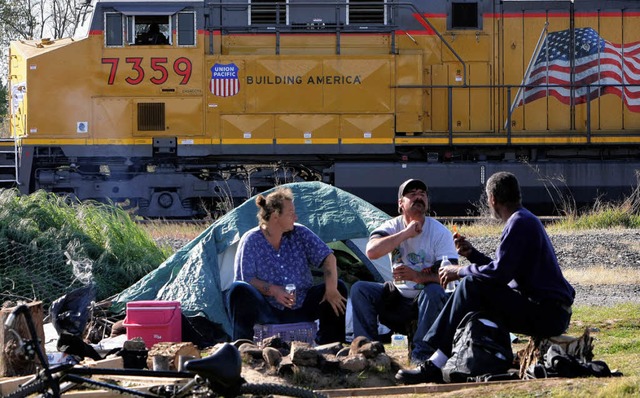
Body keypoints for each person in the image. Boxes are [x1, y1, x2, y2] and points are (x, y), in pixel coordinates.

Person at [396, 171, 576, 384]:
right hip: (549, 310)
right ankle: (455, 357)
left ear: (492, 199)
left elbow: (499, 274)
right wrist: (472, 255)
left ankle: (433, 359)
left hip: (548, 314)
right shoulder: (525, 219)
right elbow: (505, 273)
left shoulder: (519, 223)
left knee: (471, 284)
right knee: (475, 289)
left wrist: (459, 271)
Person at [350, 179, 458, 363]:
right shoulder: (392, 227)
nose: (418, 197)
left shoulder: (440, 232)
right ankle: (367, 351)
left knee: (434, 291)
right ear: (401, 203)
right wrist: (406, 233)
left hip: (426, 301)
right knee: (360, 289)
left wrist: (417, 276)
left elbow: (451, 277)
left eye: (422, 194)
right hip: (397, 297)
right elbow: (372, 251)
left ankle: (421, 354)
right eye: (412, 194)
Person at [226, 187, 348, 344]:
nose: (295, 217)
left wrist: (331, 289)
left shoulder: (300, 232)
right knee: (239, 290)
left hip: (302, 304)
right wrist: (274, 290)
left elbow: (328, 258)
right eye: (291, 213)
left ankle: (332, 347)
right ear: (276, 215)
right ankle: (243, 347)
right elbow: (247, 279)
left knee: (339, 288)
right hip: (268, 310)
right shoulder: (251, 240)